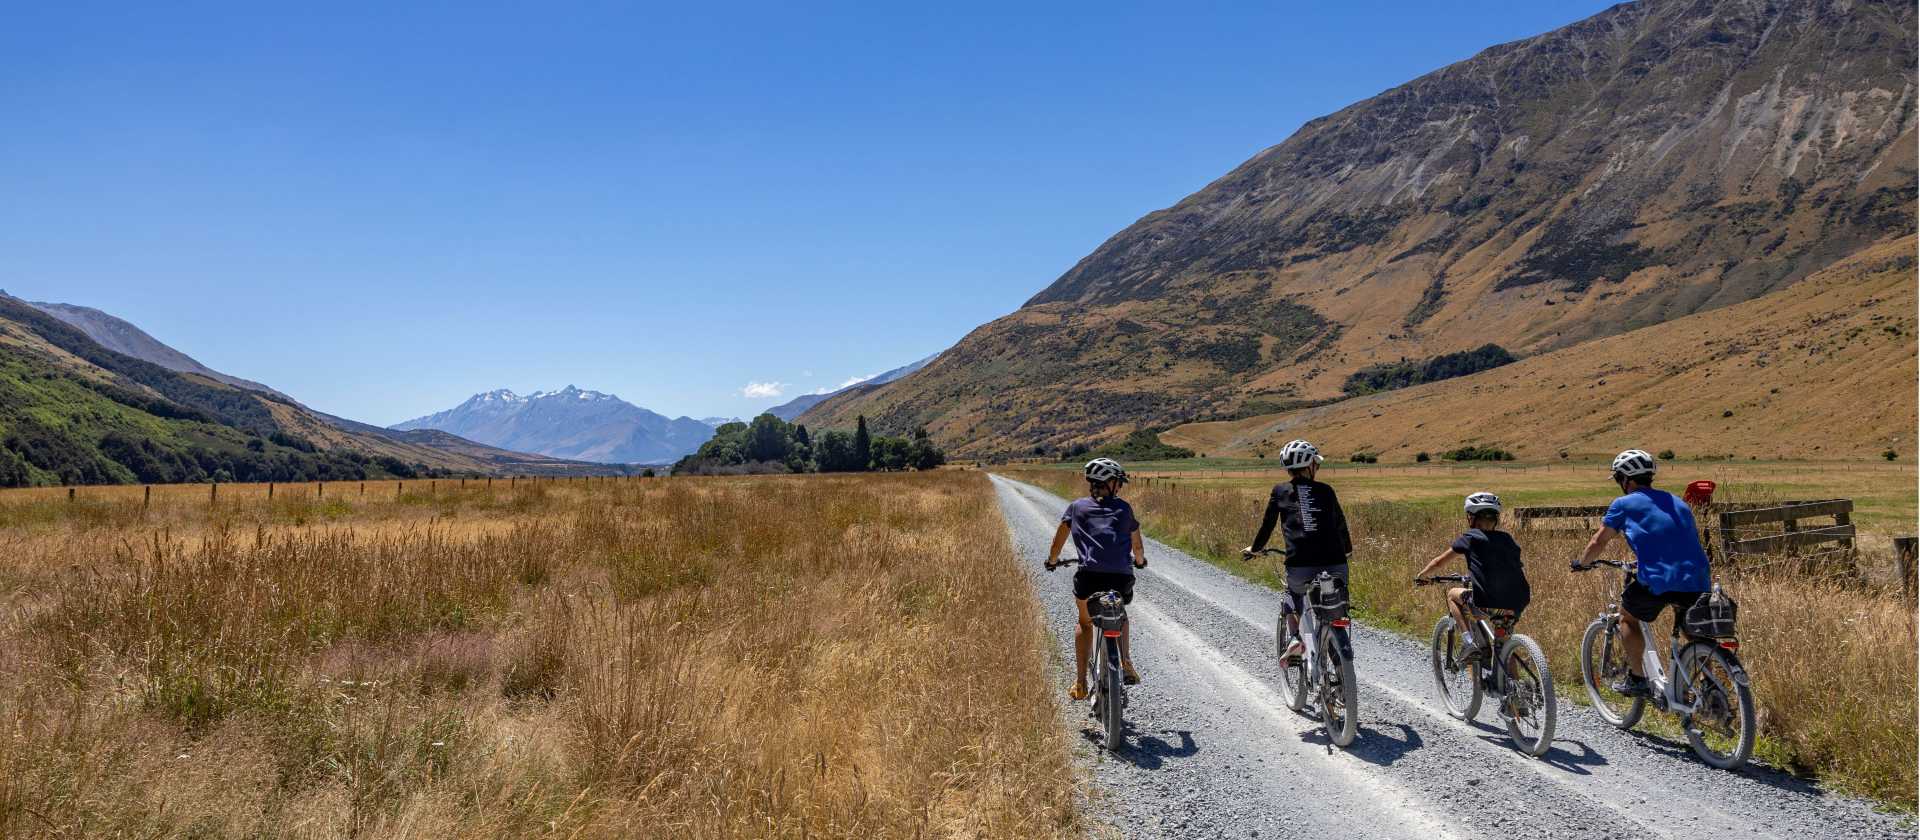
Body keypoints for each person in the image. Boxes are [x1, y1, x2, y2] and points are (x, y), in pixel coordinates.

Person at [1570, 449, 1712, 698]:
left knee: (1627, 618)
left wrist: (1582, 563)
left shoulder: (1623, 504)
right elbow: (1672, 539)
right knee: (1695, 635)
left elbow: (1598, 541)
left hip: (1659, 579)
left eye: (1618, 479)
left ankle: (1637, 679)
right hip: (1697, 577)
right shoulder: (1678, 501)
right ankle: (1710, 688)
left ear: (1627, 479)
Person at [1240, 439, 1352, 660]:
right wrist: (1347, 550)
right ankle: (1334, 645)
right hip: (1337, 563)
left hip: (1300, 565)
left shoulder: (1280, 490)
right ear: (1310, 466)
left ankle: (1294, 639)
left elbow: (1267, 525)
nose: (1317, 468)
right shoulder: (1327, 490)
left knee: (1292, 593)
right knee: (1333, 601)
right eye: (1315, 464)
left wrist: (1255, 549)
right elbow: (1340, 524)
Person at [1046, 457, 1148, 700]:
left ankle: (1080, 682)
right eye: (1118, 482)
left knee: (1085, 622)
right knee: (1120, 615)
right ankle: (1125, 661)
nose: (1120, 487)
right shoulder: (1124, 508)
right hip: (1120, 578)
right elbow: (1138, 547)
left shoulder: (1076, 507)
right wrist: (1140, 562)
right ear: (1110, 483)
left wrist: (1052, 561)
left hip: (1088, 577)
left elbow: (1057, 542)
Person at [1413, 492, 1530, 662]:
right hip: (1517, 602)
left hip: (1487, 603)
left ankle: (1469, 643)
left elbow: (1439, 563)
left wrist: (1422, 575)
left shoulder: (1470, 537)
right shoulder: (1508, 539)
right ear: (1495, 519)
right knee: (1503, 645)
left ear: (1471, 518)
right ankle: (1513, 685)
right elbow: (1511, 567)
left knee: (1453, 594)